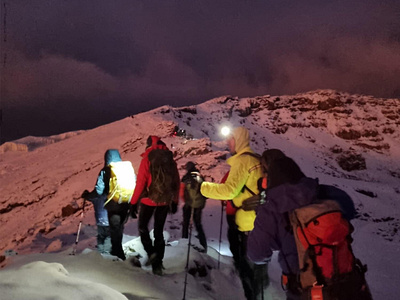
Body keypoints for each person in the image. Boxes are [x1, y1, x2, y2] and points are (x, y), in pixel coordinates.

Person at [247, 150, 371, 300]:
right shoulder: (320, 191)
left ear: (268, 177)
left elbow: (257, 254)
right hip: (348, 284)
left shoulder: (271, 209)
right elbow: (350, 210)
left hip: (305, 290)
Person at [200, 127, 266, 300]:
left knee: (247, 270)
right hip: (260, 221)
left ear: (239, 140)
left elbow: (229, 191)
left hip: (248, 224)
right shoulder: (256, 159)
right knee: (256, 269)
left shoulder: (243, 161)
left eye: (231, 139)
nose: (228, 143)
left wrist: (202, 187)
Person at [130, 136, 180, 275]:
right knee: (159, 231)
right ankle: (158, 263)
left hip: (148, 200)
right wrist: (174, 201)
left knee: (142, 227)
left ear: (149, 145)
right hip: (164, 201)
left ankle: (152, 254)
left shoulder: (147, 158)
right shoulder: (170, 160)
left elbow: (140, 183)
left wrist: (133, 203)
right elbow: (176, 181)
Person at [82, 149, 132, 260]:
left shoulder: (105, 171)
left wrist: (88, 196)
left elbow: (98, 192)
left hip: (111, 209)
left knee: (106, 236)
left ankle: (108, 260)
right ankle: (117, 258)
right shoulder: (126, 169)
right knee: (117, 233)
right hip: (125, 206)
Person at [180, 161, 208, 252]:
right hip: (199, 204)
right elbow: (206, 191)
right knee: (198, 224)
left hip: (189, 204)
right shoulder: (200, 177)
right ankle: (203, 244)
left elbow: (181, 192)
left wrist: (187, 201)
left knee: (186, 223)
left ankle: (184, 242)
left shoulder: (185, 178)